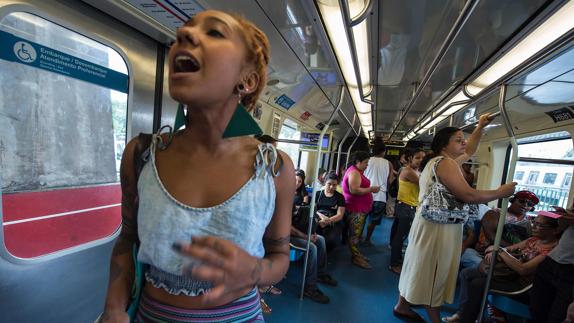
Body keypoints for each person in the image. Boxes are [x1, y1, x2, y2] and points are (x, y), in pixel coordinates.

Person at [100, 11, 296, 322]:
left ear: (247, 81)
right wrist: (113, 308)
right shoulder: (141, 155)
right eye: (184, 31)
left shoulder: (274, 169)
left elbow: (280, 258)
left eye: (215, 33)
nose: (184, 35)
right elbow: (127, 239)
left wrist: (255, 270)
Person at [393, 114, 516, 323]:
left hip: (429, 223)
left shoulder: (438, 163)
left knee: (420, 264)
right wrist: (499, 192)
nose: (464, 143)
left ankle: (402, 305)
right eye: (458, 140)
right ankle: (435, 319)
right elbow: (467, 195)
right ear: (443, 145)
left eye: (463, 138)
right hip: (440, 228)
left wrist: (480, 127)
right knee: (435, 272)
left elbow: (470, 151)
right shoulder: (445, 164)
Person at [443, 213, 562, 323]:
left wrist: (499, 251)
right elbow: (509, 249)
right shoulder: (533, 240)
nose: (534, 227)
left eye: (539, 225)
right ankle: (465, 313)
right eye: (534, 222)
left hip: (522, 284)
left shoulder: (552, 251)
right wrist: (497, 251)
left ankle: (467, 318)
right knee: (467, 273)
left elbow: (523, 269)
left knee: (478, 284)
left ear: (555, 230)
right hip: (510, 274)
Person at [463, 190, 539, 269]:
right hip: (483, 253)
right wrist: (514, 249)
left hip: (512, 255)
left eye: (530, 204)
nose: (525, 205)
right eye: (522, 201)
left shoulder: (529, 222)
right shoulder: (495, 213)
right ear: (513, 200)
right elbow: (492, 236)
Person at [530, 206, 574, 323]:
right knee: (537, 310)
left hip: (570, 269)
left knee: (558, 316)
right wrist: (564, 218)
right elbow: (565, 226)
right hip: (554, 260)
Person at [342, 151, 380, 269]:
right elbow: (354, 190)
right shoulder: (354, 172)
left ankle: (357, 254)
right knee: (354, 235)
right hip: (355, 208)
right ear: (358, 162)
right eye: (365, 162)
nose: (367, 165)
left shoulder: (357, 171)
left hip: (359, 208)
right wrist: (371, 189)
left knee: (357, 234)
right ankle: (356, 258)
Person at [389, 148, 425, 275]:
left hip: (405, 205)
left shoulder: (414, 171)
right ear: (409, 158)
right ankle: (394, 264)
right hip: (406, 207)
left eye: (422, 158)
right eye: (417, 157)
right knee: (401, 237)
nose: (421, 160)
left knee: (398, 235)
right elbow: (425, 184)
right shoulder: (408, 171)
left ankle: (396, 258)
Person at [290, 209, 337, 304]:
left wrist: (311, 233)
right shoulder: (282, 201)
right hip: (283, 234)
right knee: (311, 248)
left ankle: (320, 273)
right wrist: (306, 237)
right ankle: (310, 288)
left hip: (295, 231)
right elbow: (287, 227)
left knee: (320, 240)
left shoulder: (295, 198)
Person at [363, 140, 394, 246]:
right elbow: (390, 181)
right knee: (373, 220)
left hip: (365, 193)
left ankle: (357, 237)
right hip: (380, 196)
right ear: (384, 152)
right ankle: (367, 239)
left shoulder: (367, 161)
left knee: (362, 218)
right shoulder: (388, 163)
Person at [315, 171, 346, 251]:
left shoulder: (340, 197)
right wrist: (322, 217)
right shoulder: (318, 194)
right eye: (329, 184)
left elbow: (340, 215)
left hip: (334, 221)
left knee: (331, 239)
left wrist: (327, 221)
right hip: (319, 218)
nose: (332, 187)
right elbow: (313, 210)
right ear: (325, 182)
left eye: (334, 185)